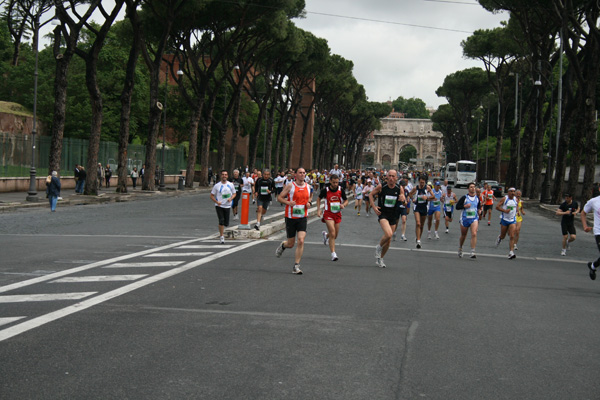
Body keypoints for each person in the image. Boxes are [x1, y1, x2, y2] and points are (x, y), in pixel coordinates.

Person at [275, 167, 313, 275]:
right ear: (295, 175)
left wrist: (309, 203)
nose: (302, 174)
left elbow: (310, 197)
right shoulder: (290, 186)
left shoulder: (308, 186)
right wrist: (288, 203)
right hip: (291, 217)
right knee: (291, 244)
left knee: (301, 240)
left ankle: (296, 266)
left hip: (302, 217)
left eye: (303, 173)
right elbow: (279, 197)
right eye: (300, 173)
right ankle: (283, 246)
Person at [369, 169, 404, 268]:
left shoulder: (399, 188)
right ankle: (378, 247)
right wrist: (374, 206)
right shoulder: (382, 186)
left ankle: (380, 258)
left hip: (393, 215)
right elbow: (371, 195)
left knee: (388, 241)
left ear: (397, 178)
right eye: (390, 176)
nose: (391, 178)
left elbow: (404, 200)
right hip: (383, 213)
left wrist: (403, 199)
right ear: (386, 177)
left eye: (393, 176)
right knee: (388, 234)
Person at [317, 174, 348, 261]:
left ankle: (326, 235)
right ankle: (333, 254)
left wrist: (343, 205)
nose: (335, 184)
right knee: (333, 232)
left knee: (335, 235)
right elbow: (318, 199)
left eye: (337, 182)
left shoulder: (340, 190)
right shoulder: (325, 190)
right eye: (334, 182)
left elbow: (346, 200)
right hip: (328, 213)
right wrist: (318, 209)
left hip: (337, 214)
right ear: (330, 181)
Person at [210, 170, 237, 244]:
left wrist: (231, 198)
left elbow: (234, 194)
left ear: (227, 176)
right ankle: (221, 236)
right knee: (221, 220)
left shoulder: (230, 185)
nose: (224, 176)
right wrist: (217, 202)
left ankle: (222, 230)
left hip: (227, 206)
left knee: (226, 223)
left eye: (225, 174)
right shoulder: (217, 185)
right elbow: (211, 195)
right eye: (223, 174)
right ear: (221, 176)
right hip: (219, 205)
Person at [456, 182, 481, 258]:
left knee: (474, 233)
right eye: (471, 187)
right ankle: (460, 248)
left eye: (474, 187)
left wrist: (479, 211)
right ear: (468, 189)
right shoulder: (464, 198)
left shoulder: (477, 198)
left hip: (474, 218)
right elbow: (457, 207)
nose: (473, 188)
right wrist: (465, 206)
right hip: (465, 219)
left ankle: (472, 251)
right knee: (464, 235)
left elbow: (479, 207)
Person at [581, 184, 600, 280]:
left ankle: (593, 266)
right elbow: (583, 213)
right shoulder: (594, 201)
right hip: (599, 232)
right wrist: (585, 226)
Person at [409, 176, 433, 249]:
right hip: (417, 207)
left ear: (425, 182)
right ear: (419, 181)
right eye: (421, 182)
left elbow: (433, 196)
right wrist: (412, 199)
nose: (422, 184)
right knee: (418, 223)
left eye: (423, 182)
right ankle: (418, 241)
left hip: (424, 207)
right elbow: (410, 194)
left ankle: (418, 237)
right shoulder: (415, 188)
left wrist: (427, 198)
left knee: (422, 225)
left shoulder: (428, 188)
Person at [495, 187, 519, 259]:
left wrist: (517, 212)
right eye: (511, 191)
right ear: (508, 192)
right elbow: (497, 207)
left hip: (512, 220)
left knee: (512, 236)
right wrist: (504, 211)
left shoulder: (516, 199)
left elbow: (516, 207)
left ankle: (511, 252)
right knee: (503, 236)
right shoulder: (504, 199)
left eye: (514, 191)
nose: (512, 193)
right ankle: (500, 238)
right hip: (504, 219)